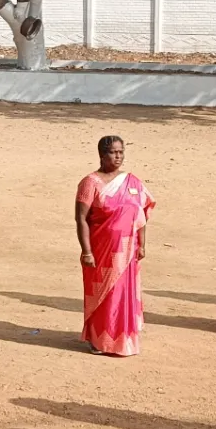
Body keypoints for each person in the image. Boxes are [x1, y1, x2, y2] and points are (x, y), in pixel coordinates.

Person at [75, 136, 155, 357]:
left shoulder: (132, 181)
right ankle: (99, 339)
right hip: (101, 249)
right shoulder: (90, 183)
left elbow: (141, 214)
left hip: (128, 251)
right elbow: (81, 218)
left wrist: (142, 244)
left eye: (121, 152)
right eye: (113, 152)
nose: (118, 156)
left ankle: (123, 338)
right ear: (102, 154)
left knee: (122, 293)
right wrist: (87, 250)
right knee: (102, 294)